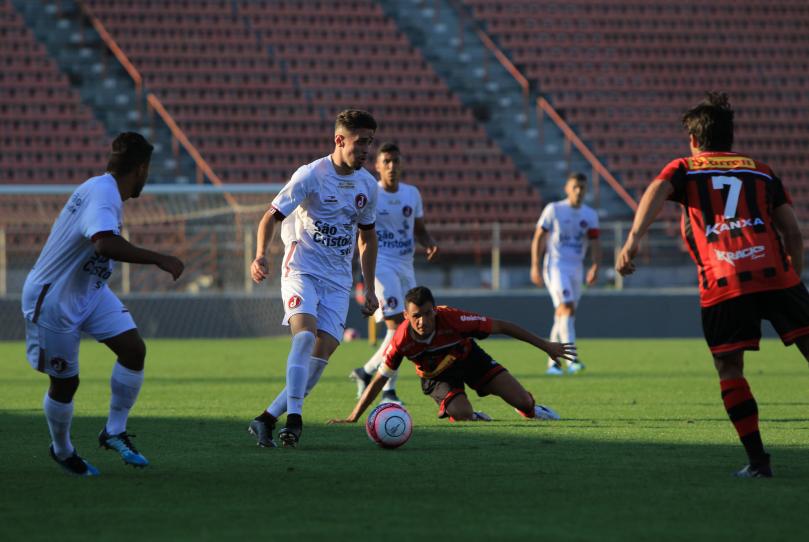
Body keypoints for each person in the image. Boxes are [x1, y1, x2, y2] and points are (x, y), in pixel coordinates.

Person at [615, 92, 809, 478]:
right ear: (730, 137)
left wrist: (634, 239)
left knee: (729, 367)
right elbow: (792, 231)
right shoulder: (762, 170)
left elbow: (656, 190)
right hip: (775, 274)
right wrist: (795, 279)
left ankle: (758, 462)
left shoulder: (684, 168)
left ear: (693, 139)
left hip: (724, 278)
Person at [21, 132, 185, 476]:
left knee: (133, 350)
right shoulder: (103, 195)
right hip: (55, 299)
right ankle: (63, 450)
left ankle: (113, 430)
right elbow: (104, 245)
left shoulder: (101, 188)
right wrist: (159, 258)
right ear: (141, 169)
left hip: (89, 291)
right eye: (148, 170)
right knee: (65, 382)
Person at [248, 109, 380, 448]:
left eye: (370, 143)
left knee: (319, 361)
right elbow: (270, 217)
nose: (367, 150)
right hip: (301, 269)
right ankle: (294, 419)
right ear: (340, 140)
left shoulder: (367, 184)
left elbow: (367, 237)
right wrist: (261, 253)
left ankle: (265, 419)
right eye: (361, 142)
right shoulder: (311, 175)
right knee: (304, 337)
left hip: (338, 281)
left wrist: (368, 285)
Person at [330, 286, 575, 424]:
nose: (423, 321)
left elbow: (502, 326)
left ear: (434, 310)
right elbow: (380, 378)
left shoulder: (454, 319)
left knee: (522, 402)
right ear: (406, 316)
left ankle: (534, 409)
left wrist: (546, 346)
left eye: (427, 313)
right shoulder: (401, 340)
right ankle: (472, 415)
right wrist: (353, 417)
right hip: (436, 376)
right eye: (416, 316)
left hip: (470, 360)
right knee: (463, 415)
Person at [348, 142, 439, 405]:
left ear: (402, 165)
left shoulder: (412, 194)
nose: (391, 166)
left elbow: (419, 228)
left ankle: (366, 372)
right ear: (376, 166)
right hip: (380, 263)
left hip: (405, 264)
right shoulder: (371, 193)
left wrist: (429, 242)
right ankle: (387, 389)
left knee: (405, 326)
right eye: (386, 161)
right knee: (398, 324)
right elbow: (363, 233)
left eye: (395, 161)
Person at [530, 172, 601, 375]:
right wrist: (535, 265)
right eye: (575, 187)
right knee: (567, 308)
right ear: (567, 189)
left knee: (563, 314)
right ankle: (572, 360)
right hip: (555, 266)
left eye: (582, 188)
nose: (579, 191)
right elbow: (539, 237)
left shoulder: (590, 215)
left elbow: (595, 243)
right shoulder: (554, 210)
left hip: (576, 268)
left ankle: (552, 364)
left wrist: (595, 266)